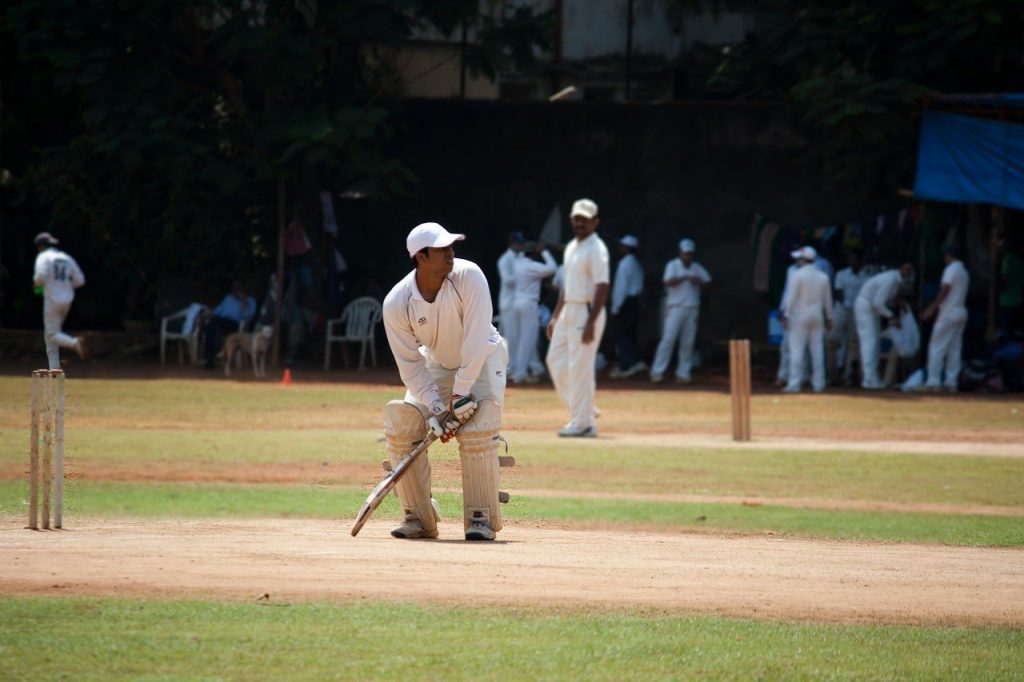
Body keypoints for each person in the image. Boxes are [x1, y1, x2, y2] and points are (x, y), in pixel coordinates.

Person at [381, 222, 508, 541]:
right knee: (402, 424)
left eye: (451, 246)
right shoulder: (397, 303)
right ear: (421, 257)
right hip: (436, 362)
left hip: (483, 357)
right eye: (441, 249)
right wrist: (437, 407)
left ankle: (481, 516)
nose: (451, 252)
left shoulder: (469, 276)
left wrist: (461, 396)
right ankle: (418, 515)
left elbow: (476, 341)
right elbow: (410, 365)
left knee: (478, 425)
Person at [546, 198, 610, 438]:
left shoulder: (597, 248)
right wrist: (555, 317)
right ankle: (584, 408)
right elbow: (566, 287)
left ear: (595, 222)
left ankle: (583, 424)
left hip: (587, 309)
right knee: (556, 360)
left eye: (585, 219)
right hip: (568, 309)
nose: (580, 223)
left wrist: (591, 322)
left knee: (580, 368)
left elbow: (602, 286)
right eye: (577, 218)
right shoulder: (572, 246)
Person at [649, 238, 711, 384]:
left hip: (692, 307)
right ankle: (657, 371)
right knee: (668, 339)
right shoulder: (672, 265)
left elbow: (708, 281)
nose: (688, 256)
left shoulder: (697, 267)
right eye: (685, 254)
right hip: (675, 307)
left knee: (687, 342)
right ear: (680, 253)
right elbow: (667, 281)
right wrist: (683, 278)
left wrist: (698, 281)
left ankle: (683, 373)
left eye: (690, 254)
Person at [854, 261, 914, 390]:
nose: (908, 272)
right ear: (900, 268)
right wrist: (891, 316)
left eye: (910, 270)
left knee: (875, 342)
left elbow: (885, 300)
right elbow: (878, 303)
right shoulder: (891, 279)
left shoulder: (897, 281)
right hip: (866, 305)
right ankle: (868, 379)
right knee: (869, 342)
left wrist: (898, 304)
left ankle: (873, 377)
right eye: (906, 268)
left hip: (872, 308)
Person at [782, 246, 833, 393]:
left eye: (799, 258)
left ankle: (794, 383)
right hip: (817, 315)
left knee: (796, 350)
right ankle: (819, 383)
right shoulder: (823, 276)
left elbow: (791, 298)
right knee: (817, 351)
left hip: (799, 315)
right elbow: (827, 300)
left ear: (804, 259)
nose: (797, 260)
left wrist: (786, 314)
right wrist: (829, 318)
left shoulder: (797, 275)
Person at [32, 232, 86, 368]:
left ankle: (74, 343)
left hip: (52, 298)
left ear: (40, 246)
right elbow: (80, 281)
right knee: (52, 332)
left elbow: (40, 277)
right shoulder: (66, 258)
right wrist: (65, 286)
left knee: (52, 333)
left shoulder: (43, 257)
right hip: (67, 299)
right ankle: (54, 368)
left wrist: (37, 285)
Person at [919, 245, 969, 392]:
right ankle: (951, 382)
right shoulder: (964, 271)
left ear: (948, 256)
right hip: (960, 311)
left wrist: (931, 308)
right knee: (954, 349)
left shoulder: (951, 269)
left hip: (949, 312)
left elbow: (945, 289)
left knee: (937, 347)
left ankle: (933, 381)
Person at [509, 241, 557, 384]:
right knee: (527, 341)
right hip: (529, 304)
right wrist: (545, 252)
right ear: (534, 254)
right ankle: (520, 373)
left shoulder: (517, 263)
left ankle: (521, 370)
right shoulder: (532, 266)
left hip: (517, 303)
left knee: (522, 339)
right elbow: (552, 268)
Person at [608, 234, 646, 379]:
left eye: (622, 246)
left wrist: (615, 308)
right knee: (630, 334)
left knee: (622, 335)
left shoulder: (625, 264)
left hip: (626, 304)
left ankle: (626, 365)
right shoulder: (636, 263)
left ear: (627, 248)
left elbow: (620, 289)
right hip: (635, 302)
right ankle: (634, 361)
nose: (620, 248)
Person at [829, 249, 870, 385]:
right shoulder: (842, 274)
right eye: (851, 259)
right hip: (841, 310)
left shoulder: (866, 277)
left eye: (855, 260)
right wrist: (845, 302)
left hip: (857, 312)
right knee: (832, 340)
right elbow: (838, 291)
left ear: (861, 261)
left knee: (853, 343)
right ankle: (831, 374)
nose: (853, 262)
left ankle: (848, 376)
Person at [202, 279, 257, 369]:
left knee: (214, 325)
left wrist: (244, 300)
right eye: (234, 288)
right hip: (220, 322)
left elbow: (247, 317)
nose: (236, 290)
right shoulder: (228, 298)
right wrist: (205, 314)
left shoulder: (250, 300)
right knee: (211, 326)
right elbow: (217, 311)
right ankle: (210, 359)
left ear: (243, 288)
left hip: (234, 324)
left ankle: (213, 356)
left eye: (238, 287)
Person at [998, 240, 1023, 340]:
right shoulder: (1020, 262)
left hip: (1006, 300)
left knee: (1006, 329)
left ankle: (1008, 349)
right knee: (1013, 328)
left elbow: (1005, 277)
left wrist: (999, 288)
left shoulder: (1007, 260)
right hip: (1017, 300)